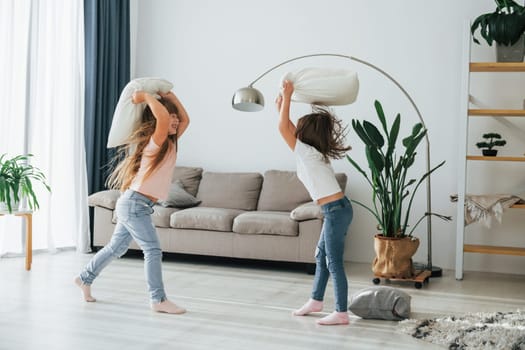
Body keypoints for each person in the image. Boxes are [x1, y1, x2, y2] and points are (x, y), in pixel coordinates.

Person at [75, 89, 190, 314]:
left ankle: (84, 278)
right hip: (134, 204)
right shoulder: (155, 143)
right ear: (158, 121)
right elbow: (164, 119)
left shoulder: (171, 144)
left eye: (175, 117)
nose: (175, 120)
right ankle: (158, 299)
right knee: (153, 250)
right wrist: (145, 96)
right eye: (170, 116)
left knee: (116, 248)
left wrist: (170, 96)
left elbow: (186, 119)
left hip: (137, 204)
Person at [276, 80, 353, 326]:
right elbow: (285, 125)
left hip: (335, 211)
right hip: (337, 209)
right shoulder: (311, 151)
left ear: (303, 135)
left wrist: (287, 98)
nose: (293, 131)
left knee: (333, 261)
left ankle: (341, 312)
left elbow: (282, 128)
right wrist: (281, 105)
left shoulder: (306, 152)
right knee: (321, 256)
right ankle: (316, 301)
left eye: (297, 129)